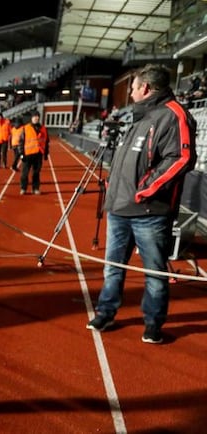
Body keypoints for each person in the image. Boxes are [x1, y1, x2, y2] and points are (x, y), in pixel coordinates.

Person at [87, 64, 197, 344]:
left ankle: (152, 324)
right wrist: (115, 187)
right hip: (119, 208)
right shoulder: (139, 116)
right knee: (113, 267)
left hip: (149, 211)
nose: (131, 92)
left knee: (153, 273)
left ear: (146, 88)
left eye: (133, 87)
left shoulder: (174, 115)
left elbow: (181, 159)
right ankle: (106, 312)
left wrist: (144, 191)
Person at [17, 111, 49, 195]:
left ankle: (35, 188)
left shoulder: (43, 128)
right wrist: (21, 154)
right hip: (28, 154)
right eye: (35, 116)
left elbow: (46, 141)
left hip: (38, 154)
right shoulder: (26, 128)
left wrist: (45, 154)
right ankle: (23, 188)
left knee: (36, 173)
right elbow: (20, 142)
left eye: (38, 116)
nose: (36, 118)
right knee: (25, 173)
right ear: (32, 118)